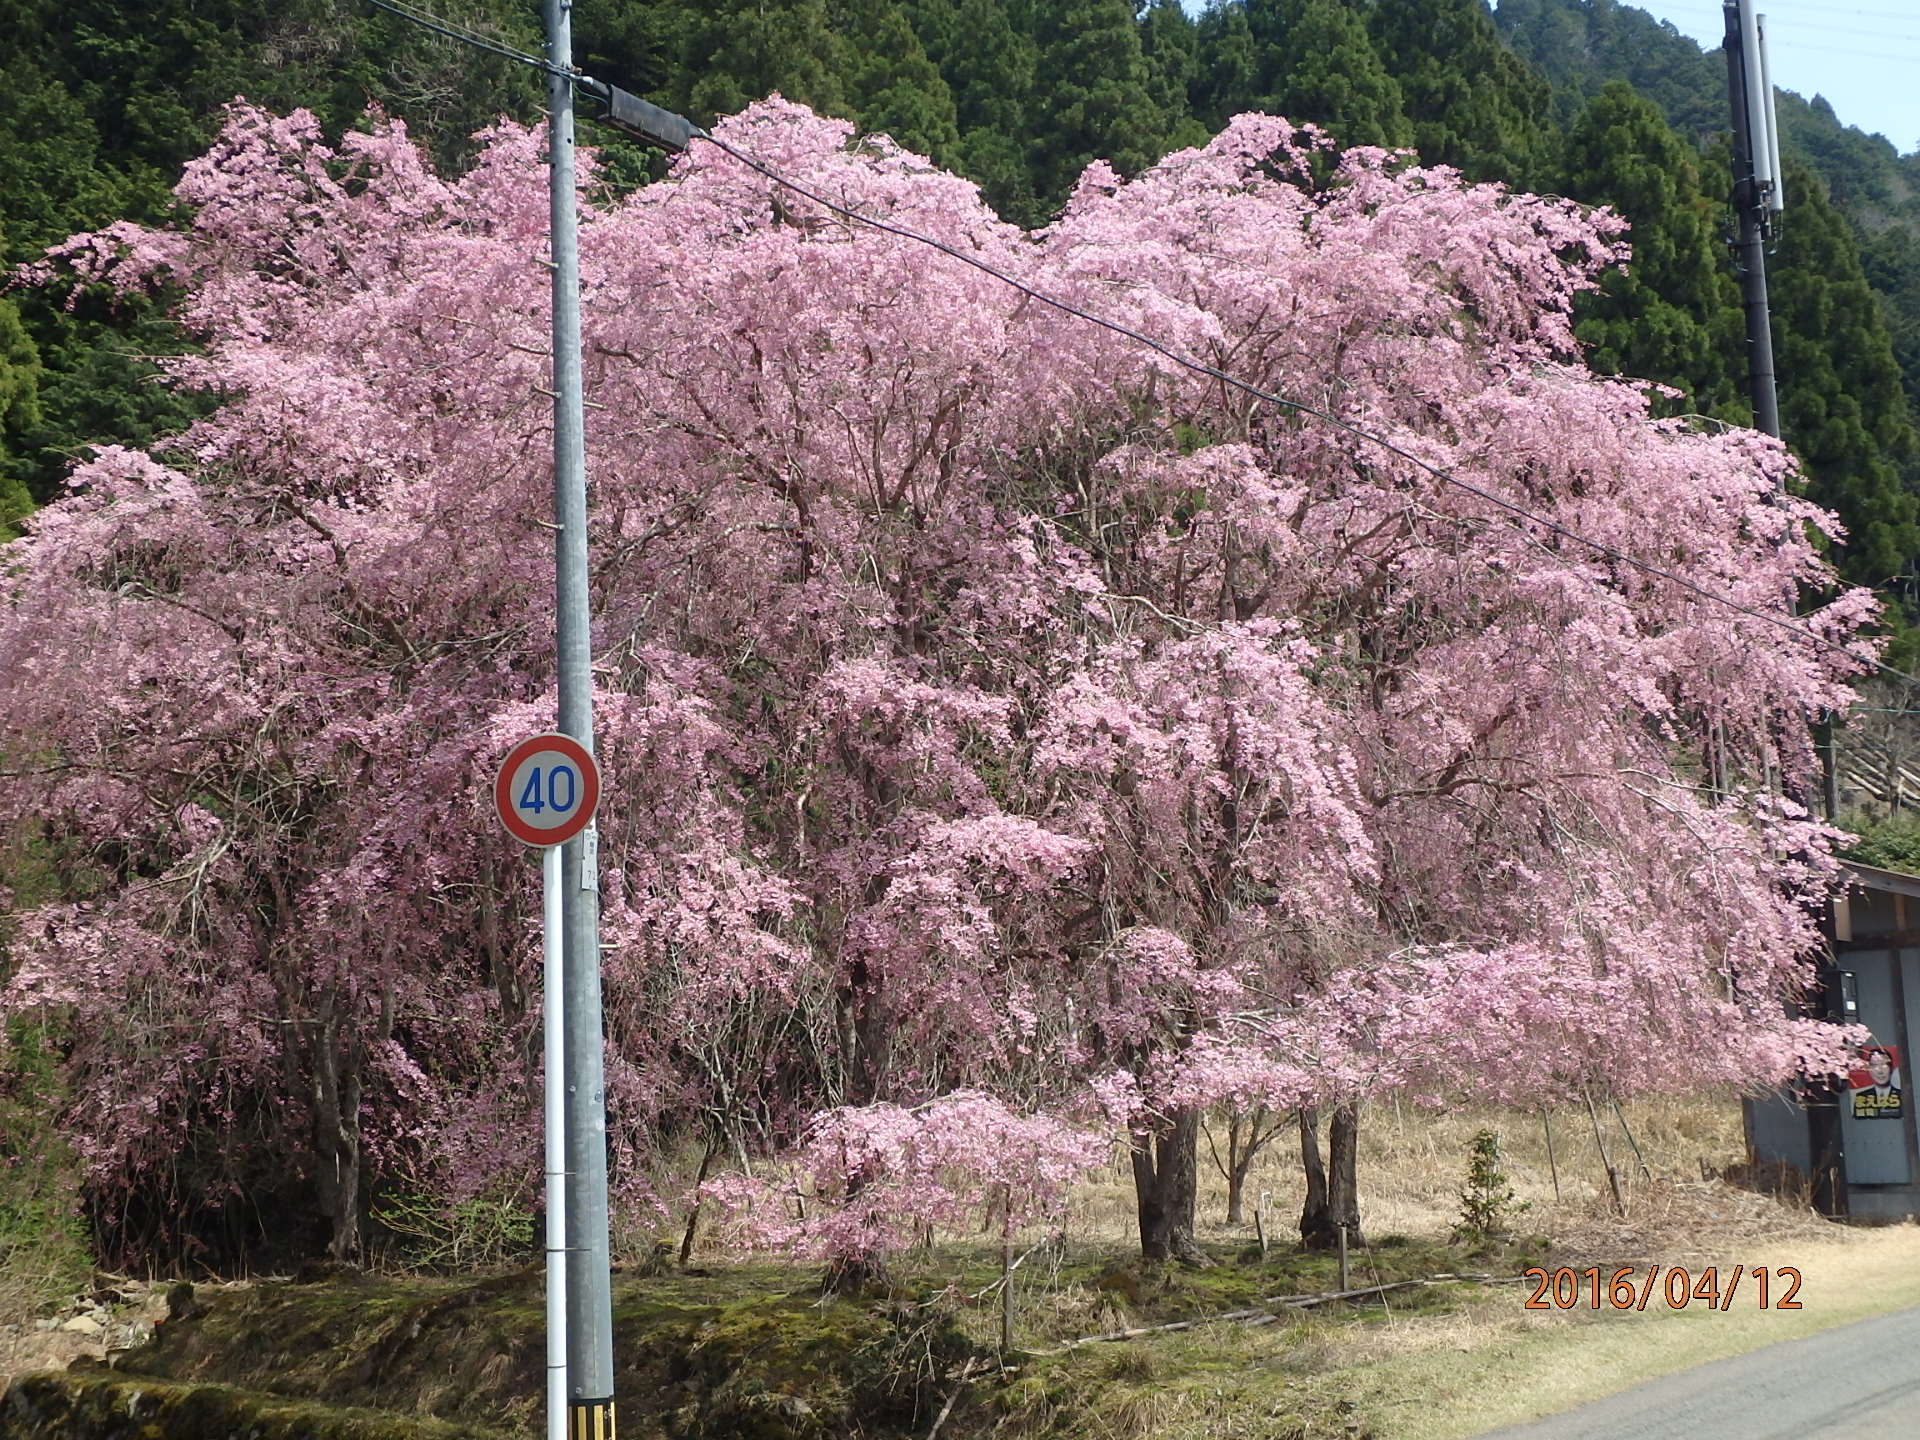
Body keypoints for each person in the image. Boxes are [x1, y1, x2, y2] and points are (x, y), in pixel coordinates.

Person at [1850, 1045, 1903, 1121]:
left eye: (1883, 1064)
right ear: (1868, 1070)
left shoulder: (1902, 1095)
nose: (1880, 1071)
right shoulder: (1861, 1097)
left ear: (1891, 1067)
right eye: (1874, 1065)